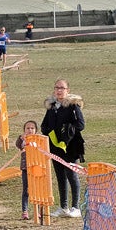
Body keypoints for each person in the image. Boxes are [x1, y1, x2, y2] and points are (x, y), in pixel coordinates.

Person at [41, 79, 85, 218]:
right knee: (60, 177)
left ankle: (76, 207)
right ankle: (63, 207)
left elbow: (81, 124)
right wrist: (49, 132)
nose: (59, 90)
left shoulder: (73, 106)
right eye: (57, 88)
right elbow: (44, 125)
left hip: (70, 147)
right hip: (56, 148)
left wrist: (67, 131)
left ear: (68, 90)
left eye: (62, 88)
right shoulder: (52, 107)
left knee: (72, 175)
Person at [15, 120, 39, 220]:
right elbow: (18, 145)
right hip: (26, 168)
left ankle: (37, 211)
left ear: (36, 130)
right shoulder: (23, 140)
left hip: (37, 169)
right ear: (24, 130)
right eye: (28, 128)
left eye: (32, 128)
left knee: (37, 190)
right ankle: (25, 211)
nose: (30, 130)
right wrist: (22, 138)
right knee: (26, 190)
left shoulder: (38, 139)